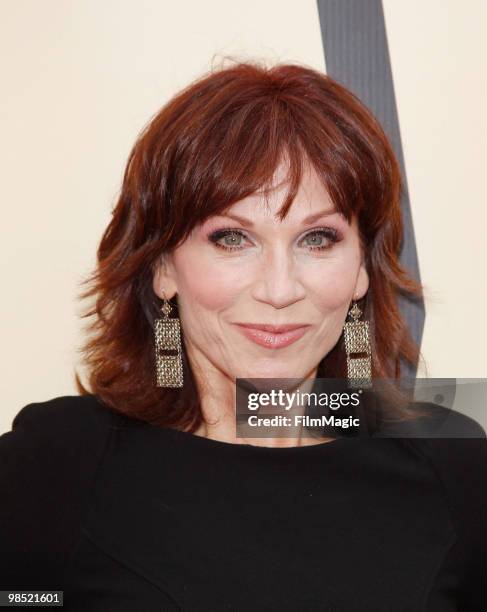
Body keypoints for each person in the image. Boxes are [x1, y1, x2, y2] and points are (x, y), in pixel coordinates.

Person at [1, 60, 486, 611]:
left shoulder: (452, 460)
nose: (279, 290)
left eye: (319, 239)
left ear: (361, 271)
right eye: (232, 238)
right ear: (162, 266)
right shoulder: (59, 462)